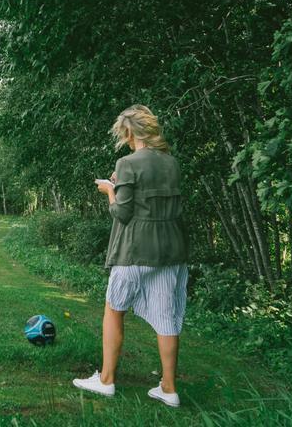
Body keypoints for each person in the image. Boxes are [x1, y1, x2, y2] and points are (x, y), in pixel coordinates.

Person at [73, 105, 189, 408]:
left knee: (114, 310)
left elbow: (122, 213)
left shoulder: (127, 162)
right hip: (171, 250)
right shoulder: (171, 163)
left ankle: (107, 380)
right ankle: (169, 388)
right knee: (167, 318)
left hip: (135, 250)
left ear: (128, 132)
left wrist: (109, 191)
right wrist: (121, 183)